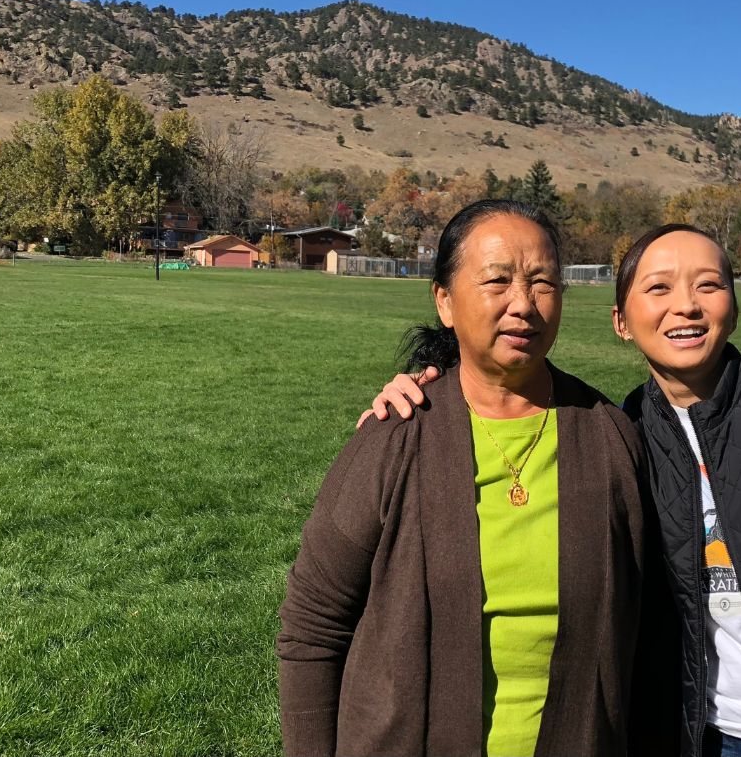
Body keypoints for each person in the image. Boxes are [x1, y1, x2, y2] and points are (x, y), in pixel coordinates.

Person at [365, 224, 741, 757]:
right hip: (693, 732)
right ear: (621, 322)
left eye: (709, 285)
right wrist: (432, 388)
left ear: (733, 305)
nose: (687, 306)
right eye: (658, 289)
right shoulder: (623, 431)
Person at [277, 200, 676, 757]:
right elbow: (312, 628)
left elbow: (653, 632)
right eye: (497, 280)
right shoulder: (396, 437)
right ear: (444, 300)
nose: (523, 304)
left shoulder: (611, 436)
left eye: (542, 282)